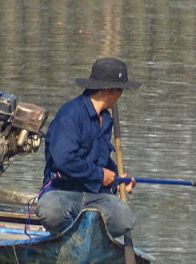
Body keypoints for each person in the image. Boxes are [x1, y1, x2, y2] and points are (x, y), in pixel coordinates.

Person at [36, 57, 142, 237]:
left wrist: (117, 179)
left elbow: (99, 159)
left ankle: (88, 237)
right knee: (51, 211)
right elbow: (64, 159)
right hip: (62, 192)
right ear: (111, 91)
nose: (121, 95)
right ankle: (71, 235)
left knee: (125, 220)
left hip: (96, 195)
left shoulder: (106, 119)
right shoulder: (69, 115)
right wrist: (100, 175)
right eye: (121, 90)